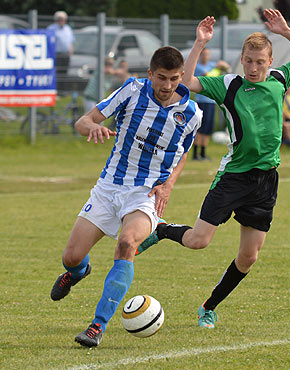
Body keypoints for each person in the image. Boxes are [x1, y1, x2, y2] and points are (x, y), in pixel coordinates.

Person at [138, 9, 290, 328]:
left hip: (266, 182)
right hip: (233, 178)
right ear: (242, 59)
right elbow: (189, 82)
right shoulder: (229, 85)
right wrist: (198, 43)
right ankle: (162, 229)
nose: (252, 67)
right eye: (248, 60)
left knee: (249, 258)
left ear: (270, 61)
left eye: (259, 61)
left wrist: (286, 30)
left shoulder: (279, 79)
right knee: (198, 241)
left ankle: (209, 306)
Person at [50, 46, 203, 347]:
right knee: (71, 257)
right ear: (149, 74)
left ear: (181, 76)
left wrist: (169, 184)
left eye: (174, 79)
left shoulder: (191, 114)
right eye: (161, 78)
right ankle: (79, 271)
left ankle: (96, 326)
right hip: (109, 187)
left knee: (127, 243)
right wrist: (92, 126)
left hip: (145, 195)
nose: (167, 85)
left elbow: (183, 153)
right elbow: (83, 121)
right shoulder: (132, 91)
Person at [193, 48, 230, 160]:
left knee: (208, 128)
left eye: (207, 54)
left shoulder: (212, 65)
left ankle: (203, 153)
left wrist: (224, 66)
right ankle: (195, 154)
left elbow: (226, 67)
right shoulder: (199, 67)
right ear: (200, 56)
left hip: (211, 101)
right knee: (201, 128)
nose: (206, 56)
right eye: (203, 54)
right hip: (202, 101)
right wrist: (217, 67)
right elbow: (207, 76)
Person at [47, 11, 75, 79]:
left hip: (66, 54)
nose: (62, 21)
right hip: (56, 55)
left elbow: (71, 40)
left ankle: (63, 89)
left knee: (64, 73)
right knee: (57, 73)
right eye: (60, 19)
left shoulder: (68, 28)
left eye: (63, 19)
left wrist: (71, 49)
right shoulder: (51, 28)